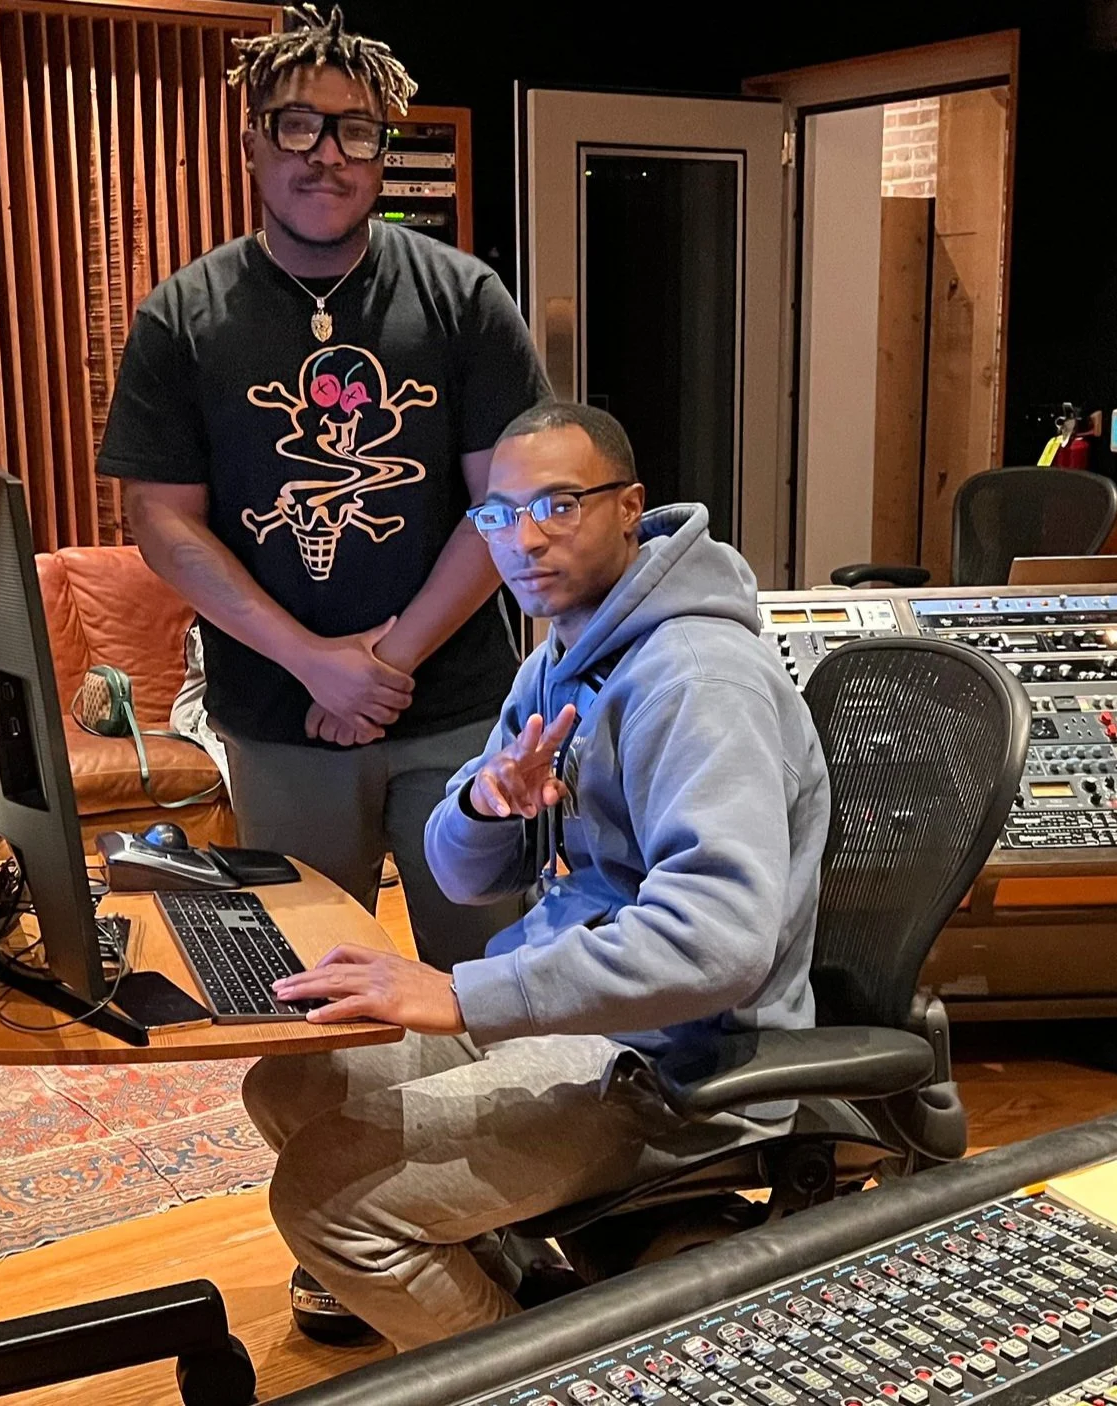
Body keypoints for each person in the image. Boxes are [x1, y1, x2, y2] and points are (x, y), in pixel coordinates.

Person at [242, 401, 832, 1349]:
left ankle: (525, 1369)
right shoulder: (562, 652)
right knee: (292, 1083)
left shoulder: (694, 681)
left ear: (630, 507)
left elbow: (716, 942)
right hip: (578, 1018)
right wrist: (487, 806)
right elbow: (462, 875)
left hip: (671, 1062)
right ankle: (510, 1302)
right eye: (498, 514)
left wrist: (468, 996)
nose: (523, 539)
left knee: (325, 1202)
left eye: (558, 505)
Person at [96, 4, 548, 970]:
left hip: (458, 710)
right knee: (309, 989)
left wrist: (376, 664)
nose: (326, 153)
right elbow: (160, 521)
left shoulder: (465, 300)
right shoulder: (183, 319)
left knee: (494, 983)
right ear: (254, 141)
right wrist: (310, 661)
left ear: (381, 152)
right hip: (277, 720)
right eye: (299, 124)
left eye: (355, 130)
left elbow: (503, 509)